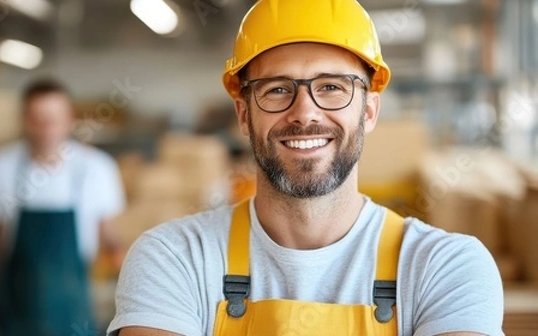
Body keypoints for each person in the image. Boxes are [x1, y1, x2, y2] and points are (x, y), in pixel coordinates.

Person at [108, 1, 504, 335]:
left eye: (332, 87)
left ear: (368, 110)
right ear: (244, 114)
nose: (304, 113)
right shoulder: (175, 258)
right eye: (277, 89)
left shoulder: (444, 267)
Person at [0, 79, 125, 336]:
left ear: (70, 119)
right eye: (37, 120)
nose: (46, 129)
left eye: (53, 119)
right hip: (15, 311)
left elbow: (112, 241)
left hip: (75, 310)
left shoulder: (96, 168)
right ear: (23, 120)